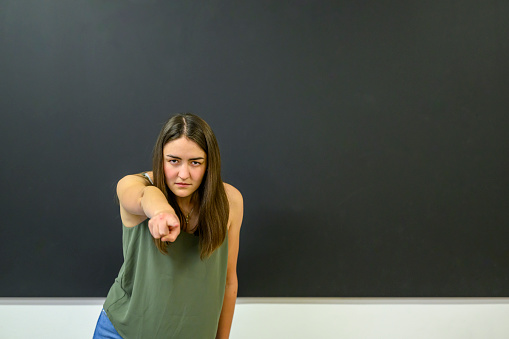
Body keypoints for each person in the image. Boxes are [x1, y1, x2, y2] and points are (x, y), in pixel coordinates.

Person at [93, 113, 243, 339]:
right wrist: (161, 212)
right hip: (121, 332)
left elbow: (229, 282)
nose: (184, 174)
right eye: (173, 161)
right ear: (160, 159)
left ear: (209, 164)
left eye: (195, 162)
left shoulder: (230, 201)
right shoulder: (135, 184)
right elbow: (145, 194)